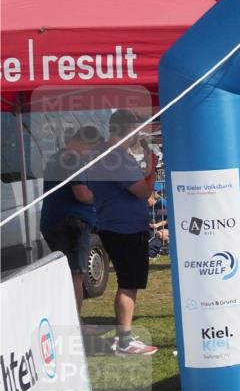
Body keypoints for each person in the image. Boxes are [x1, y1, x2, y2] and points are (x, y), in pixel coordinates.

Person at [88, 110, 159, 356]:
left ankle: (125, 337)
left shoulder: (108, 154)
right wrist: (153, 170)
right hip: (123, 228)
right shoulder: (113, 156)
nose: (138, 136)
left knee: (129, 282)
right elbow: (142, 191)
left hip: (118, 225)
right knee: (128, 283)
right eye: (136, 131)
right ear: (125, 129)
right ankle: (125, 342)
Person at [40, 125, 102, 310]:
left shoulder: (56, 158)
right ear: (85, 143)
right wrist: (102, 198)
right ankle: (76, 323)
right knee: (76, 274)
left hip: (54, 220)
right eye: (93, 148)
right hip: (72, 223)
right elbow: (82, 194)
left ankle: (69, 319)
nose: (92, 153)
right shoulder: (72, 160)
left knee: (66, 273)